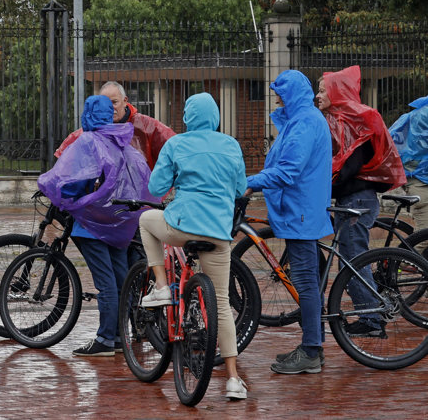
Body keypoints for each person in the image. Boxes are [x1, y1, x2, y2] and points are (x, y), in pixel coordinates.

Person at [137, 93, 249, 401]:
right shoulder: (231, 145)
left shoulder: (176, 144)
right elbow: (240, 189)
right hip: (218, 233)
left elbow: (156, 188)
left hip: (181, 227)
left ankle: (161, 285)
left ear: (188, 117)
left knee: (146, 221)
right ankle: (233, 379)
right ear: (215, 117)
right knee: (222, 303)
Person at [40, 94, 156, 357]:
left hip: (92, 225)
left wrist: (62, 195)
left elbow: (74, 179)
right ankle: (118, 336)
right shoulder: (123, 142)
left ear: (88, 113)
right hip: (120, 223)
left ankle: (105, 339)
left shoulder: (89, 142)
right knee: (120, 279)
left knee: (105, 283)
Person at [246, 70, 333, 374]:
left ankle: (311, 351)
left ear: (293, 94)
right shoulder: (301, 120)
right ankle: (314, 345)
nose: (277, 98)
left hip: (301, 211)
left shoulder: (305, 122)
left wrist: (252, 182)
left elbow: (288, 171)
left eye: (280, 93)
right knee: (309, 281)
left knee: (306, 283)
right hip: (301, 209)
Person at [316, 66, 405, 337]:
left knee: (354, 260)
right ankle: (369, 316)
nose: (317, 96)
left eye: (322, 90)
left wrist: (324, 187)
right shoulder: (338, 120)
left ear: (336, 91)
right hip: (352, 197)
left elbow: (350, 167)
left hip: (357, 199)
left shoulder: (356, 121)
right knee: (350, 260)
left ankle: (373, 321)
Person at [55, 81, 175, 169]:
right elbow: (64, 158)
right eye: (105, 103)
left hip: (140, 197)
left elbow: (174, 148)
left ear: (125, 101)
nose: (110, 108)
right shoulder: (89, 131)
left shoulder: (145, 125)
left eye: (114, 102)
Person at [389, 96, 428, 230]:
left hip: (418, 177)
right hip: (421, 181)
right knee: (424, 238)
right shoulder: (423, 114)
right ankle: (405, 252)